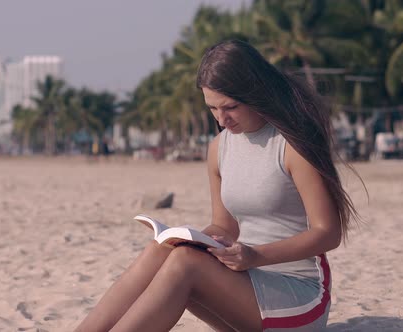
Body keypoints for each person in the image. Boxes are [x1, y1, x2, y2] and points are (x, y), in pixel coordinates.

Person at [74, 39, 361, 332]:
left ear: (256, 93)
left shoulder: (292, 145)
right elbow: (224, 227)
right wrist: (195, 239)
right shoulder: (218, 149)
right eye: (212, 108)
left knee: (185, 263)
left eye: (231, 107)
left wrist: (255, 255)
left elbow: (329, 234)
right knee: (161, 251)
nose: (222, 119)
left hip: (299, 296)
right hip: (241, 286)